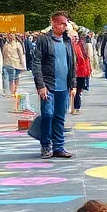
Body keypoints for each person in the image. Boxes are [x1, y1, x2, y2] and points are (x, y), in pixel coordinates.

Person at [32, 12, 77, 158]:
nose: (64, 26)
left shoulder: (67, 41)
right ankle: (45, 145)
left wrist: (73, 84)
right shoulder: (43, 40)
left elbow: (72, 64)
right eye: (62, 23)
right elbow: (36, 63)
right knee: (47, 114)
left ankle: (59, 146)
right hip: (48, 84)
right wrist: (41, 85)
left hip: (63, 85)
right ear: (53, 23)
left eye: (66, 24)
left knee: (59, 116)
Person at [71, 26, 92, 114]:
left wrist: (88, 70)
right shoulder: (70, 46)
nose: (76, 38)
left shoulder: (81, 45)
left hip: (81, 72)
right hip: (74, 72)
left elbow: (87, 58)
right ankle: (74, 107)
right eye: (74, 36)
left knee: (79, 90)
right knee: (74, 90)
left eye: (76, 36)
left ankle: (76, 107)